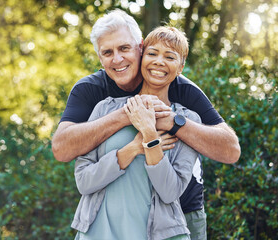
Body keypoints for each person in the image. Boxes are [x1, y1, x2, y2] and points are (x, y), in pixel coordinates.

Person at [52, 9, 240, 239]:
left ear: (139, 47)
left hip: (182, 213)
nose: (117, 59)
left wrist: (172, 122)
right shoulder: (96, 96)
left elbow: (230, 150)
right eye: (107, 52)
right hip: (115, 219)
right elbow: (63, 151)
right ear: (100, 58)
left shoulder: (182, 91)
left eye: (124, 48)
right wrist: (127, 116)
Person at [72, 26, 201, 240]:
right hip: (99, 234)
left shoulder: (188, 121)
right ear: (141, 57)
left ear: (180, 67)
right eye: (152, 54)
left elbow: (170, 192)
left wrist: (150, 136)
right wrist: (133, 148)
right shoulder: (104, 109)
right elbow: (84, 182)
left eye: (169, 56)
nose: (159, 62)